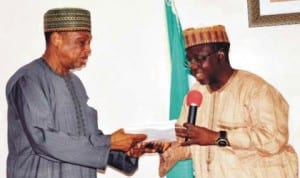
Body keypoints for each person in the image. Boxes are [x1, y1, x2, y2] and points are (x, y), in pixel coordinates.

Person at [5, 7, 148, 178]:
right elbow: (44, 140)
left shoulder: (76, 84)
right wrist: (109, 141)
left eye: (89, 42)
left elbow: (85, 140)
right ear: (56, 39)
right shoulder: (29, 80)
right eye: (81, 42)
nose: (88, 49)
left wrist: (125, 153)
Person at [159, 25, 298, 178]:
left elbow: (273, 139)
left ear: (221, 55)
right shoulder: (195, 94)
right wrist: (156, 146)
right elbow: (187, 144)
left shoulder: (257, 90)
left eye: (199, 59)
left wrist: (217, 137)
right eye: (189, 61)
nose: (192, 67)